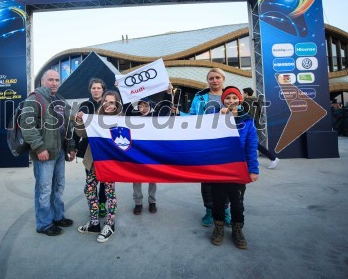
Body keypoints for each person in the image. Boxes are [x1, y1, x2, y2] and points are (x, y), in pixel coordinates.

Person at [20, 70, 76, 236]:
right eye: (50, 80)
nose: (54, 83)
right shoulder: (34, 99)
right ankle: (44, 224)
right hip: (44, 153)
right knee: (44, 190)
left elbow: (68, 126)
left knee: (58, 186)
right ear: (43, 81)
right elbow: (27, 126)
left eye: (57, 80)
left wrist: (71, 147)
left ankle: (58, 217)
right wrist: (39, 148)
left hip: (60, 152)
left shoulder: (60, 100)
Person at [172, 68, 231, 228]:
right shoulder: (199, 97)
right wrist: (179, 113)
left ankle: (225, 210)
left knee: (226, 178)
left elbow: (241, 113)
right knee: (206, 179)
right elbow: (193, 117)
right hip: (206, 143)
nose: (214, 80)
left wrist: (231, 110)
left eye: (217, 77)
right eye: (211, 78)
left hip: (226, 144)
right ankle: (210, 211)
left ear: (223, 79)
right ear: (208, 80)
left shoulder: (231, 95)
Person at [211, 86, 259, 249]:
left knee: (237, 202)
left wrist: (253, 170)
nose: (231, 101)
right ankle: (218, 228)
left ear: (240, 100)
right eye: (227, 98)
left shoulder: (248, 120)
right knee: (217, 202)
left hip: (238, 169)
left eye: (234, 98)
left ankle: (237, 230)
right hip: (218, 168)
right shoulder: (214, 117)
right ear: (222, 100)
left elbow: (251, 147)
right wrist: (219, 117)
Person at [75, 90, 121, 243]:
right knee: (89, 190)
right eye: (106, 101)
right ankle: (94, 222)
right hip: (93, 161)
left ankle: (110, 224)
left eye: (112, 102)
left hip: (110, 163)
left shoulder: (123, 120)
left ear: (117, 104)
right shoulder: (95, 118)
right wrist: (80, 120)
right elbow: (81, 133)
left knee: (109, 193)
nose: (108, 105)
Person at [131, 84, 174, 215]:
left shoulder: (156, 116)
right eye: (140, 106)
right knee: (136, 178)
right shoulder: (132, 118)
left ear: (150, 106)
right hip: (137, 153)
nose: (142, 108)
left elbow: (166, 109)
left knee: (152, 178)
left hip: (152, 152)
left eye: (145, 105)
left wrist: (168, 93)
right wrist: (119, 90)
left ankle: (152, 202)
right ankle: (138, 203)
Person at [75, 78, 108, 217]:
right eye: (93, 88)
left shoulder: (109, 104)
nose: (96, 90)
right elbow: (78, 129)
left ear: (103, 89)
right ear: (90, 89)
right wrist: (73, 146)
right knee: (91, 178)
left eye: (98, 88)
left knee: (105, 179)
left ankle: (102, 203)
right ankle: (93, 203)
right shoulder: (84, 105)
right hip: (89, 148)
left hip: (106, 148)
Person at [242, 87, 280, 169]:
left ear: (246, 93)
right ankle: (273, 158)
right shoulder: (256, 101)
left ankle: (273, 158)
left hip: (248, 125)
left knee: (253, 143)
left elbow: (248, 114)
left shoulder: (247, 102)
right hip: (254, 123)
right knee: (251, 143)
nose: (242, 94)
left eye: (243, 93)